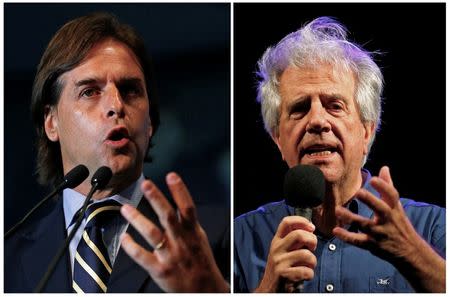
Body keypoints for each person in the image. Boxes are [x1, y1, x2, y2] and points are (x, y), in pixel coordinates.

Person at [5, 12, 229, 293]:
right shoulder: (9, 259)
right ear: (52, 123)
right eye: (90, 92)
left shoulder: (217, 237)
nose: (116, 105)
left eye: (130, 90)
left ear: (150, 124)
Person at [234, 16, 445, 293]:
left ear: (367, 131)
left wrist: (413, 254)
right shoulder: (241, 239)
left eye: (334, 105)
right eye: (299, 108)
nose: (317, 121)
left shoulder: (432, 228)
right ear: (277, 138)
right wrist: (269, 287)